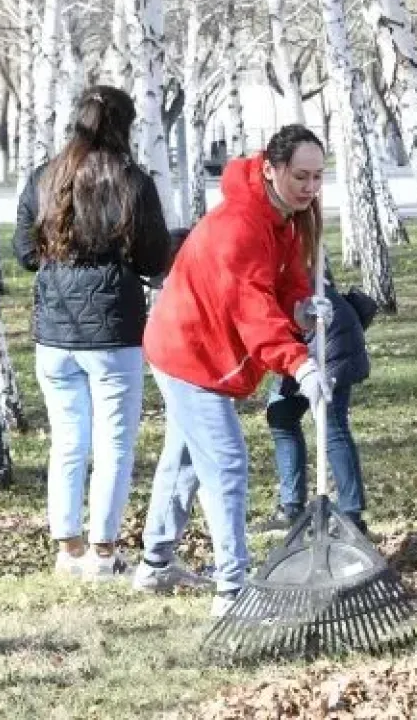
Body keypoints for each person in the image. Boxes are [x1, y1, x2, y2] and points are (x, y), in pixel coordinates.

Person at [133, 125, 333, 616]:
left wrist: (303, 307)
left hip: (197, 347)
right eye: (300, 176)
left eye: (317, 177)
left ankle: (155, 562)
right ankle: (232, 590)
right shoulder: (241, 227)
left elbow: (281, 284)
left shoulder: (280, 217)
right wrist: (300, 363)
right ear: (271, 169)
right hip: (189, 352)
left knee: (184, 459)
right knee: (225, 462)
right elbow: (253, 312)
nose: (310, 187)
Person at [14, 85, 170, 580]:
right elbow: (153, 258)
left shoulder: (44, 178)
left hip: (55, 331)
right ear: (124, 127)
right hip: (113, 331)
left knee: (68, 440)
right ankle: (104, 551)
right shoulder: (133, 182)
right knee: (114, 443)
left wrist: (62, 263)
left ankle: (69, 546)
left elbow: (23, 252)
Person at [255, 281, 378, 538]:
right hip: (299, 342)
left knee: (330, 423)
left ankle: (351, 517)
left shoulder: (284, 251)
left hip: (329, 338)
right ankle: (291, 508)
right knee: (281, 415)